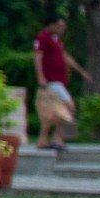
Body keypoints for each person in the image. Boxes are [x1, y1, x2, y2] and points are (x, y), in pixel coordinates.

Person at [32, 17, 76, 151]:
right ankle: (57, 138)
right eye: (59, 27)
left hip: (59, 81)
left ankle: (44, 140)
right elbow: (38, 57)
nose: (62, 30)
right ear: (52, 25)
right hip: (51, 81)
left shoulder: (57, 40)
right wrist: (41, 77)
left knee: (52, 113)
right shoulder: (43, 37)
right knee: (69, 107)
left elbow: (63, 58)